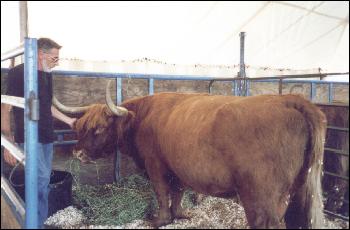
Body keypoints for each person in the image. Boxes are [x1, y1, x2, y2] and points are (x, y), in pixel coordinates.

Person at [1, 37, 77, 228]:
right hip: (29, 137)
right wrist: (8, 143)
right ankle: (34, 223)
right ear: (41, 54)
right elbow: (6, 108)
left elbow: (47, 106)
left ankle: (38, 222)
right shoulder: (19, 73)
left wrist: (69, 121)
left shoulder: (47, 75)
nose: (56, 62)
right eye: (54, 58)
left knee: (42, 181)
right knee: (40, 180)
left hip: (46, 136)